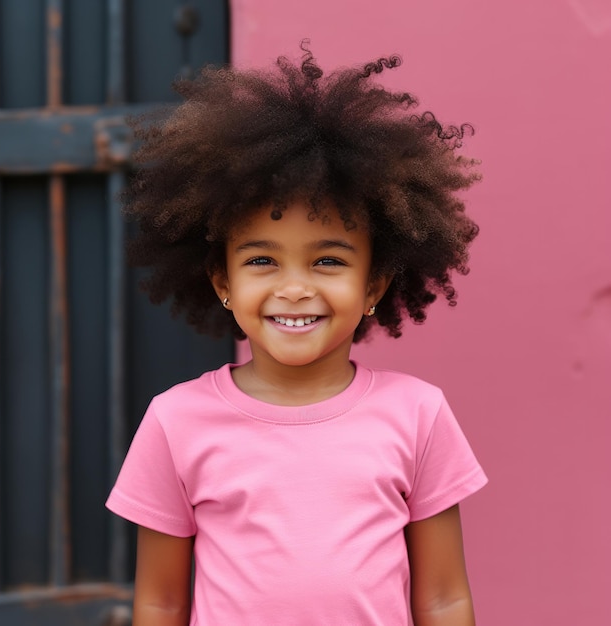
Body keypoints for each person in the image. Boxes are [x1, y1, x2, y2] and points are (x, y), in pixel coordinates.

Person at [106, 42, 487, 626]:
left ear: (374, 285)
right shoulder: (174, 421)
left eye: (328, 261)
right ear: (222, 280)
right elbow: (160, 602)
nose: (293, 289)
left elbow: (441, 598)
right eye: (262, 261)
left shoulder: (419, 414)